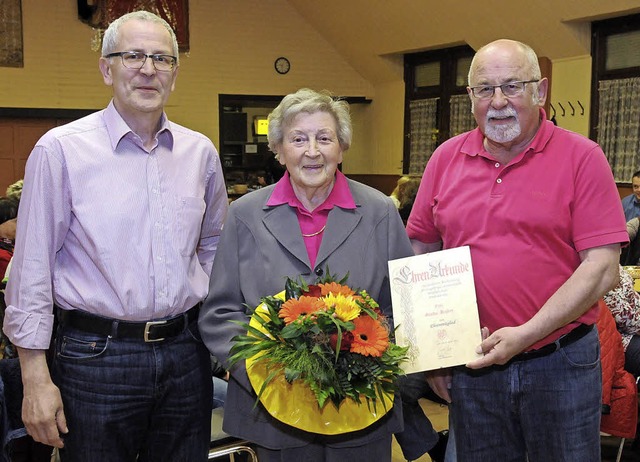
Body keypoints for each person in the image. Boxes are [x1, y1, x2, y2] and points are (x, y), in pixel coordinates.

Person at [2, 10, 228, 462]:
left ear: (175, 74)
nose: (148, 69)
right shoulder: (61, 150)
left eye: (162, 58)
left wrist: (197, 304)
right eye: (133, 56)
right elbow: (31, 267)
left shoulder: (199, 152)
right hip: (94, 359)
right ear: (106, 68)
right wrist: (34, 377)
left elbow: (213, 244)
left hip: (185, 354)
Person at [406, 39, 628, 461]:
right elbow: (420, 251)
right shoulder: (444, 159)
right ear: (470, 97)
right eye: (484, 89)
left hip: (560, 364)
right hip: (473, 366)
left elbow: (602, 267)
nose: (498, 101)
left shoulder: (583, 158)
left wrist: (525, 334)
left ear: (540, 91)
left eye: (512, 86)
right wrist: (433, 355)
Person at [198, 88, 414, 462]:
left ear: (341, 148)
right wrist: (266, 373)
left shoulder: (380, 212)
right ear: (279, 151)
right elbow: (220, 313)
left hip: (362, 409)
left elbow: (404, 307)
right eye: (298, 139)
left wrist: (364, 363)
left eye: (324, 138)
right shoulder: (245, 215)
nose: (312, 151)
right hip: (271, 413)